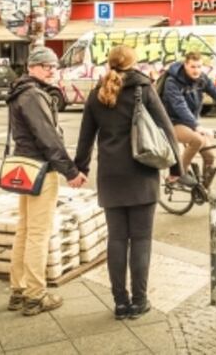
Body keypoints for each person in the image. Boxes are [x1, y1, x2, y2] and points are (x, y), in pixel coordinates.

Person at [74, 45, 192, 320]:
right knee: (140, 239)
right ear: (132, 63)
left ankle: (120, 303)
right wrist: (176, 168)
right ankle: (139, 301)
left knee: (116, 239)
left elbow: (85, 138)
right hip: (142, 173)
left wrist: (80, 169)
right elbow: (166, 129)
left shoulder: (97, 93)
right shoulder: (144, 88)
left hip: (110, 176)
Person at [6, 47, 87, 316]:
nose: (51, 70)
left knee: (25, 229)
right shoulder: (32, 95)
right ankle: (35, 295)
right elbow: (48, 138)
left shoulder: (21, 91)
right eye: (44, 66)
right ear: (32, 67)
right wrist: (71, 171)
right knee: (37, 233)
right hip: (40, 169)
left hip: (25, 167)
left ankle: (18, 290)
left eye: (53, 66)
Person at [162, 51, 216, 183]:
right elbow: (179, 106)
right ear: (185, 65)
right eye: (193, 67)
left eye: (199, 66)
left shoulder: (202, 78)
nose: (196, 70)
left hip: (191, 122)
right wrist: (197, 126)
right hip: (172, 122)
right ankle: (178, 174)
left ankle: (204, 191)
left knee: (209, 157)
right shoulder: (172, 82)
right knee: (197, 140)